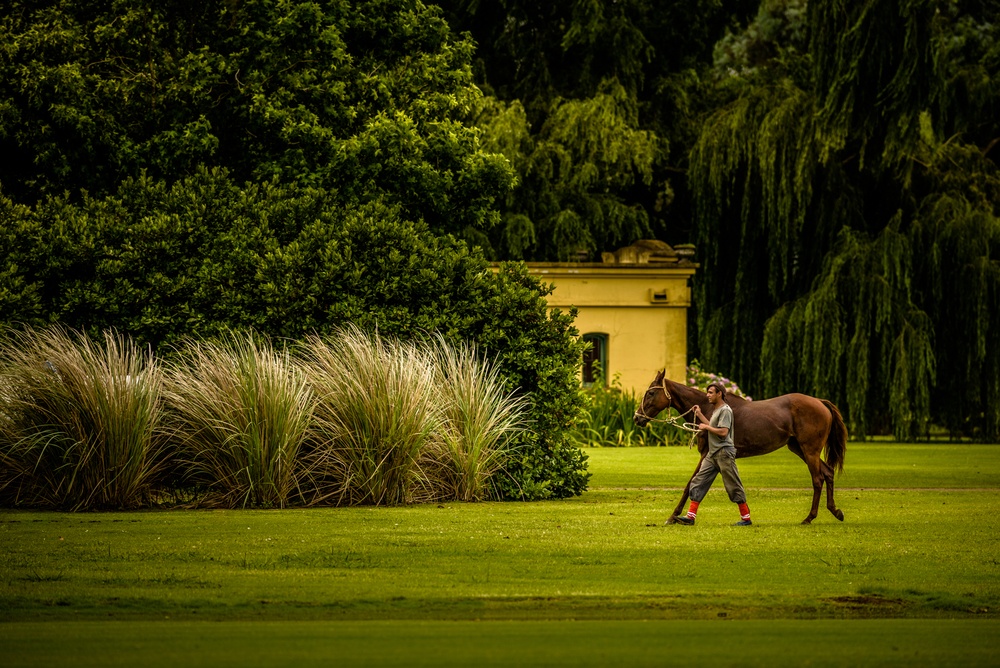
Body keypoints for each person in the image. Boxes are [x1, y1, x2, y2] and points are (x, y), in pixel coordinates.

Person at [674, 382, 752, 526]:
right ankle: (690, 517)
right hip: (713, 453)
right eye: (707, 392)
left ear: (719, 394)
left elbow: (723, 432)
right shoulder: (717, 410)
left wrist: (706, 427)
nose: (707, 395)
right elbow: (712, 425)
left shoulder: (726, 410)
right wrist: (699, 415)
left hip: (724, 453)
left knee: (733, 485)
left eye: (710, 392)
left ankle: (746, 518)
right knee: (698, 482)